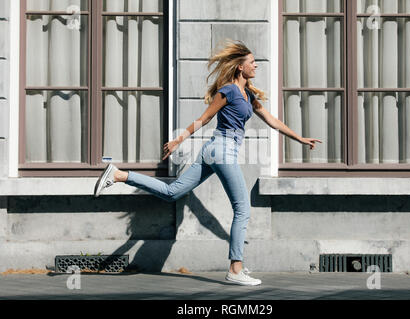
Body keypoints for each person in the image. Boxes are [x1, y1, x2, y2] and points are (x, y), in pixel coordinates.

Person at [94, 40, 322, 286]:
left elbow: (271, 120)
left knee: (173, 192)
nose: (256, 65)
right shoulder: (229, 91)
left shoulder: (249, 95)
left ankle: (119, 175)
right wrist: (178, 140)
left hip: (214, 151)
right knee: (242, 209)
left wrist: (299, 138)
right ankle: (235, 269)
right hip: (222, 150)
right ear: (239, 68)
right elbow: (204, 118)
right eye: (252, 62)